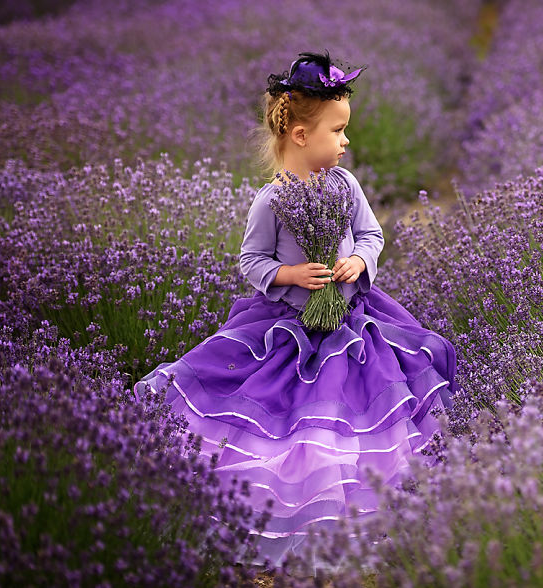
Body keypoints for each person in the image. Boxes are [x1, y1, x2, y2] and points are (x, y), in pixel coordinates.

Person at [133, 51, 457, 573]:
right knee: (295, 421)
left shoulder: (346, 187)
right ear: (302, 135)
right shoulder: (272, 200)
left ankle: (363, 514)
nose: (346, 141)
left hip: (353, 322)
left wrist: (357, 259)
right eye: (338, 130)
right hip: (289, 328)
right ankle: (286, 513)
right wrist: (290, 275)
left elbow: (374, 235)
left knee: (357, 412)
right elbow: (251, 261)